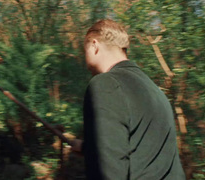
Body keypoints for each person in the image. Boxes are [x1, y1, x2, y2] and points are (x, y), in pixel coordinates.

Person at [70, 19, 185, 179]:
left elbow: (109, 171)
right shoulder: (154, 90)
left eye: (85, 51)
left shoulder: (105, 84)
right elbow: (141, 146)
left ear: (94, 46)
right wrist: (87, 148)